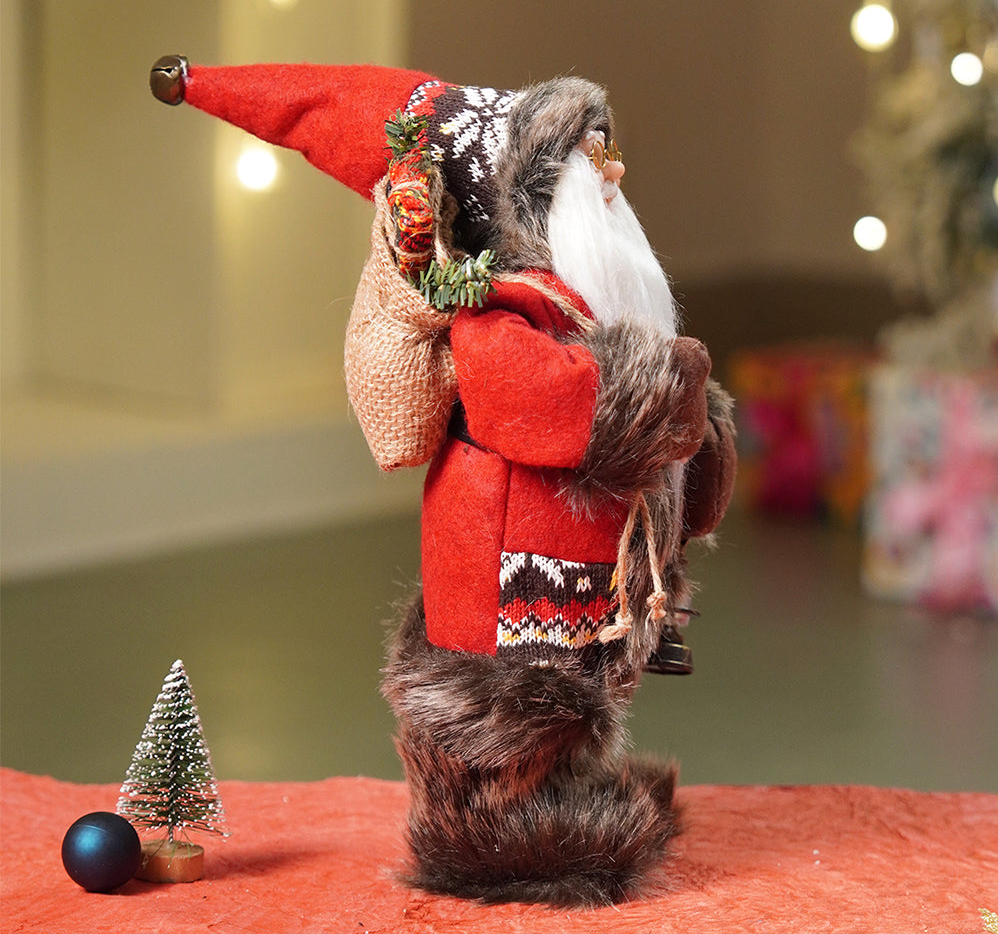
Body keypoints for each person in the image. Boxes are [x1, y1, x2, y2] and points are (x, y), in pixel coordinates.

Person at [151, 58, 736, 906]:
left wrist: (698, 440)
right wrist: (660, 389)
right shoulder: (499, 314)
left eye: (608, 158)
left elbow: (650, 417)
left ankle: (563, 794)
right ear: (518, 202)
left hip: (582, 575)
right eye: (584, 166)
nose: (610, 178)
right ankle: (493, 835)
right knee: (510, 708)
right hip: (507, 570)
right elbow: (542, 400)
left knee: (576, 692)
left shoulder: (596, 309)